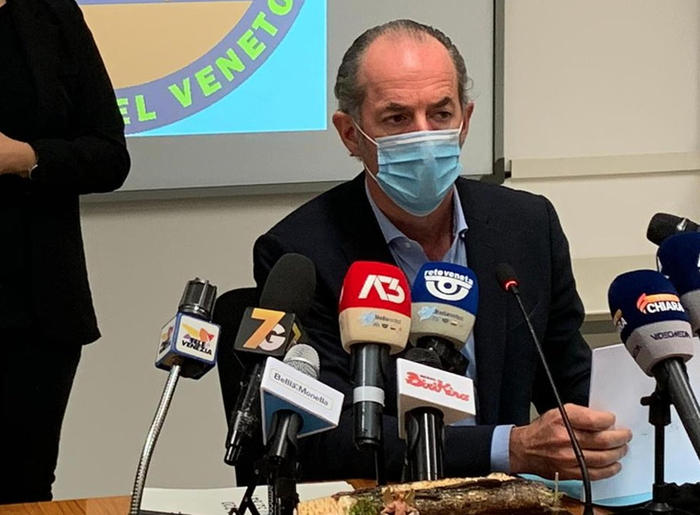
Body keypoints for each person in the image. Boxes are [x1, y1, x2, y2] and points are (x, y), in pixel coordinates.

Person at [253, 19, 631, 482]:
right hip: (385, 499)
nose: (424, 135)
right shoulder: (301, 251)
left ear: (465, 120)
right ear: (350, 133)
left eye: (440, 113)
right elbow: (324, 433)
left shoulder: (527, 226)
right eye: (397, 118)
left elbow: (572, 382)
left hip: (510, 501)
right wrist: (507, 448)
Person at [0, 0, 129, 503]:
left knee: (23, 487)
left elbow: (110, 156)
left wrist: (26, 157)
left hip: (34, 310)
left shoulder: (50, 12)